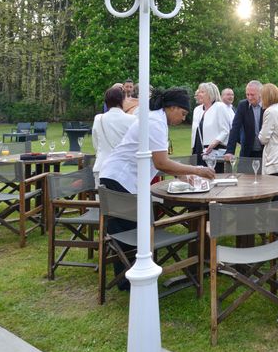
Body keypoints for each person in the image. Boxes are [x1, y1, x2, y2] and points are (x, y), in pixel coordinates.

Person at [99, 88, 215, 290]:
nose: (183, 118)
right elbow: (161, 163)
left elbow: (160, 160)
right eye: (183, 113)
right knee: (127, 229)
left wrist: (183, 175)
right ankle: (130, 280)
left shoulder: (155, 119)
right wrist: (196, 170)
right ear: (171, 107)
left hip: (115, 175)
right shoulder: (155, 123)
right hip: (121, 177)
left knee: (124, 229)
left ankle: (126, 278)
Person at [91, 86, 137, 187]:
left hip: (101, 167)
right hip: (123, 170)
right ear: (122, 100)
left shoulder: (98, 119)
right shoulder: (133, 120)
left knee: (103, 202)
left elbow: (96, 145)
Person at [191, 82, 230, 172]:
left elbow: (225, 131)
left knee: (214, 176)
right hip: (198, 150)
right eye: (199, 92)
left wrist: (212, 145)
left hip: (214, 150)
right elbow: (195, 132)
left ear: (210, 94)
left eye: (202, 92)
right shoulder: (197, 110)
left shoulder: (220, 107)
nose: (199, 94)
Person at [224, 80, 264, 160]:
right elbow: (235, 128)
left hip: (265, 151)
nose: (249, 97)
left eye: (252, 95)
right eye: (247, 94)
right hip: (247, 151)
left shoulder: (267, 106)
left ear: (260, 94)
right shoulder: (243, 105)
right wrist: (230, 151)